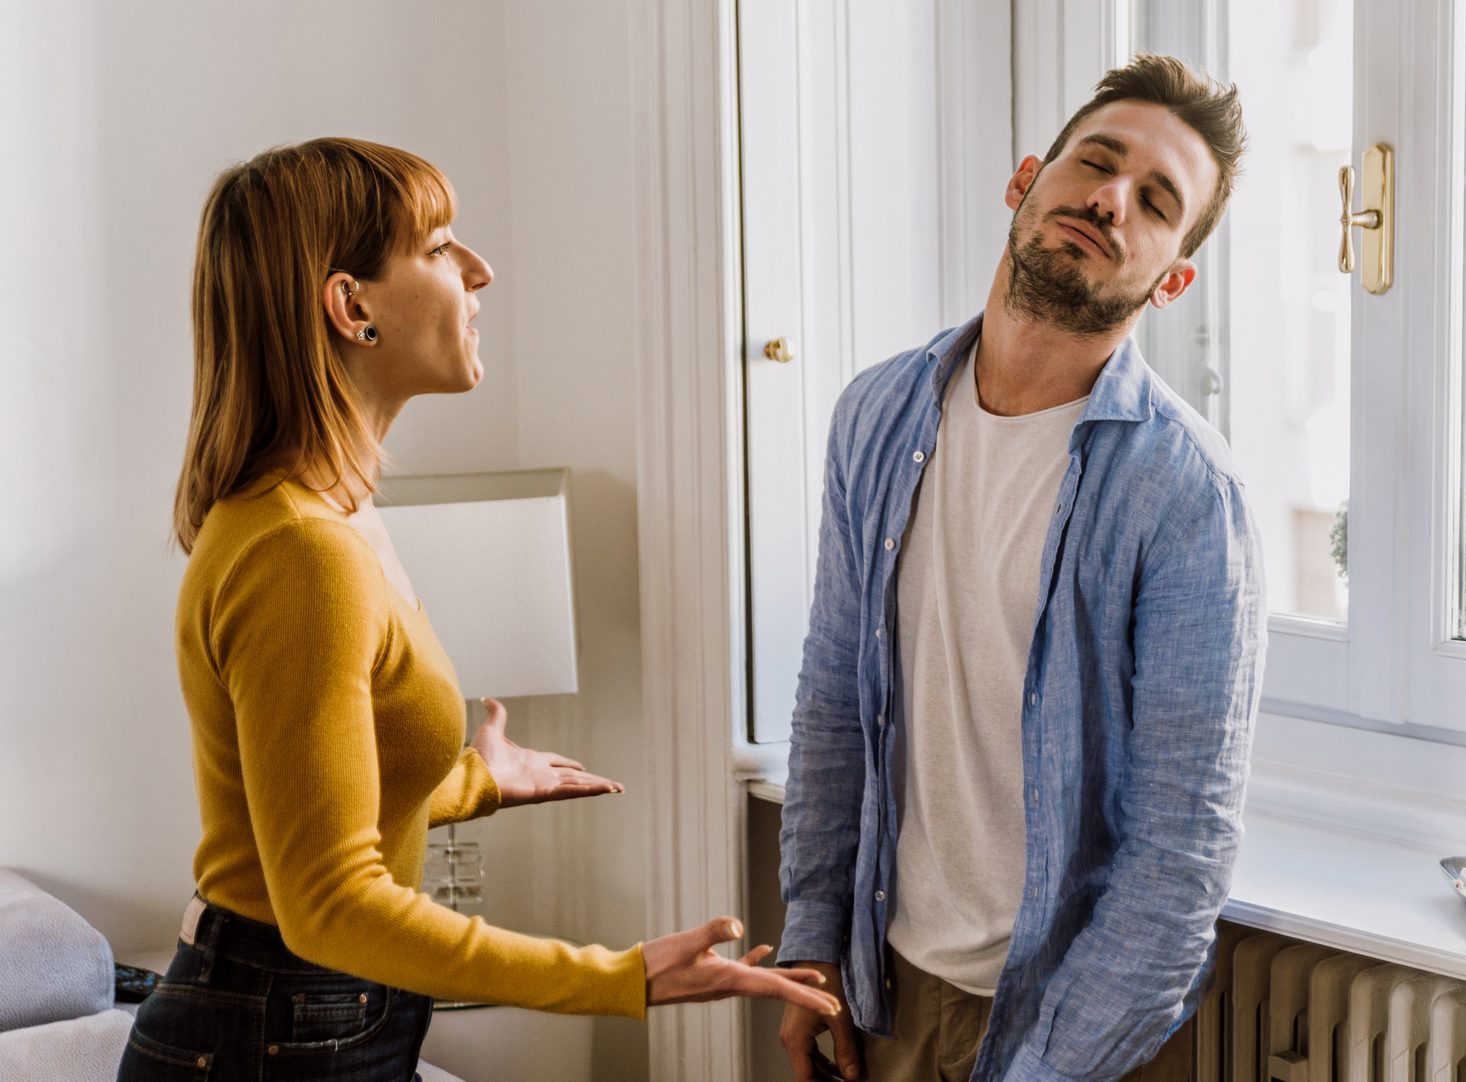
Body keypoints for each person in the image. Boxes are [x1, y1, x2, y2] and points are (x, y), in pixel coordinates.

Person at [118, 137, 840, 1081]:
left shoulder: (333, 514)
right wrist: (616, 978)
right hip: (278, 1021)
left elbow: (308, 789)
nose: (480, 270)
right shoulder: (300, 552)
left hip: (307, 1009)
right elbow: (328, 898)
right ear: (351, 306)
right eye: (439, 245)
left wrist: (469, 781)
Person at [776, 55, 1266, 1082]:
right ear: (1026, 179)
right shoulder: (875, 413)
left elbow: (1178, 852)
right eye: (1098, 161)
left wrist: (1046, 1067)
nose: (1109, 199)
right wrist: (810, 942)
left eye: (1155, 201)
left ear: (1169, 280)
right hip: (889, 987)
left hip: (1075, 1023)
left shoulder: (1185, 495)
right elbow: (832, 700)